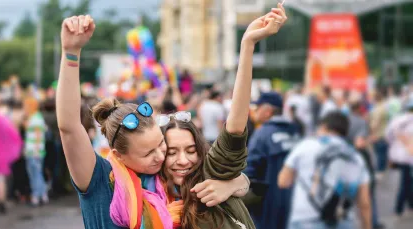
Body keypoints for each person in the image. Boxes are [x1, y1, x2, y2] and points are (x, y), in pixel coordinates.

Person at [56, 15, 255, 229]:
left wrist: (236, 183)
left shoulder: (171, 181)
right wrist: (71, 53)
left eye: (161, 145)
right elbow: (69, 127)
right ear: (118, 155)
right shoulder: (101, 181)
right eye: (148, 153)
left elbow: (229, 153)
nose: (160, 156)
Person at [155, 5, 288, 228]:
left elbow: (234, 128)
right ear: (158, 156)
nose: (183, 160)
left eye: (190, 150)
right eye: (172, 152)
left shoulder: (210, 175)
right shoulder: (145, 198)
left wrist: (247, 45)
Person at [278, 112, 372, 229]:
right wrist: (367, 226)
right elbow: (364, 202)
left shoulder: (305, 146)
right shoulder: (356, 157)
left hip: (305, 220)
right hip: (342, 222)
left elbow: (283, 181)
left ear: (323, 127)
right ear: (345, 132)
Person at [244, 91, 301, 229]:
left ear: (268, 111)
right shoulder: (295, 131)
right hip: (294, 202)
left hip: (268, 207)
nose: (255, 111)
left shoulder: (262, 134)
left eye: (258, 108)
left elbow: (250, 172)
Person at [348, 102, 384, 229]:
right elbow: (360, 143)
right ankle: (371, 223)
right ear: (358, 109)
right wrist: (370, 139)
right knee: (368, 193)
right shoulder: (361, 122)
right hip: (361, 159)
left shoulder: (344, 120)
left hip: (345, 159)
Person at [385, 98, 413, 218]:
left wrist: (395, 147)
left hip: (398, 156)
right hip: (410, 156)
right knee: (407, 182)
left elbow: (388, 136)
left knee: (406, 180)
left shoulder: (396, 120)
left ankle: (408, 205)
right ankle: (399, 207)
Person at [23, 97, 49, 206]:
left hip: (34, 151)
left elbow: (38, 135)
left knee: (35, 173)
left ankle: (37, 195)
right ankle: (41, 194)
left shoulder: (36, 118)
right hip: (33, 151)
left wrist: (36, 150)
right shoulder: (35, 117)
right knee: (36, 173)